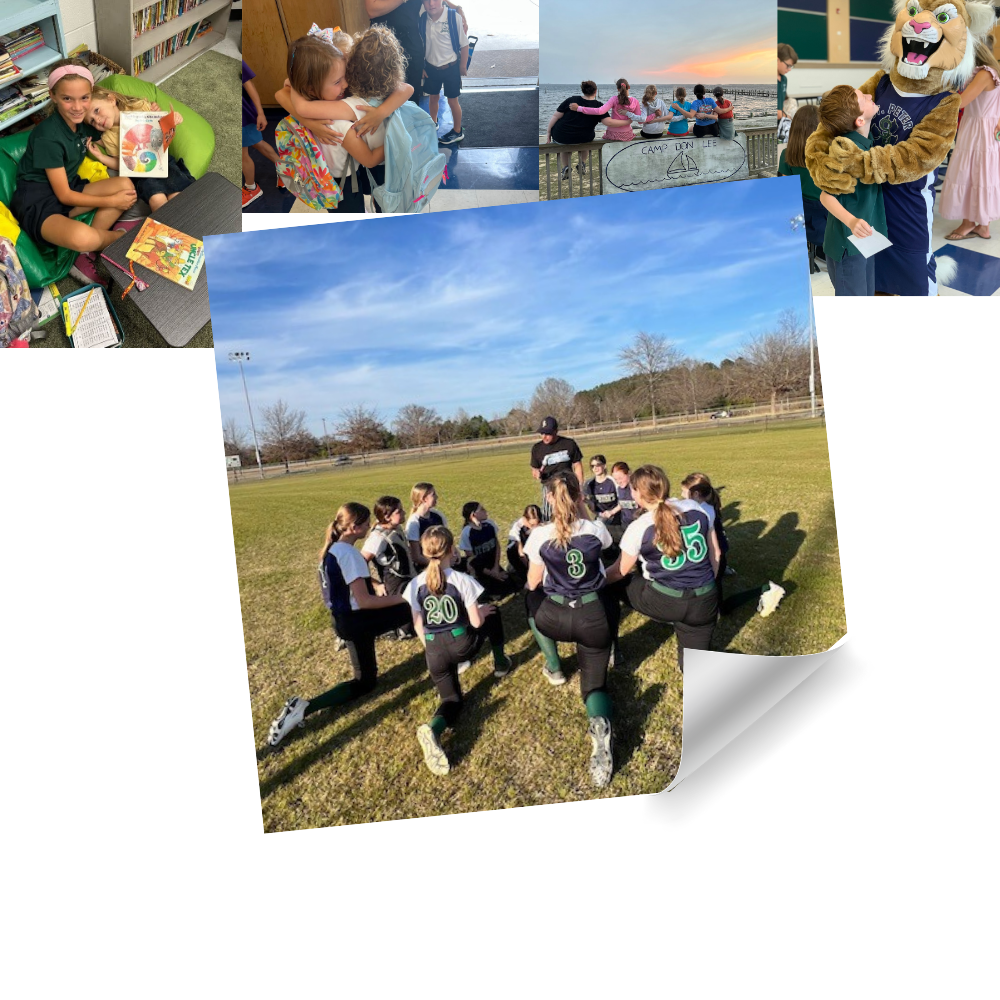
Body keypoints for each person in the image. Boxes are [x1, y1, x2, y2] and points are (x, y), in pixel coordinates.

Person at [265, 502, 413, 748]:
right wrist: (404, 598)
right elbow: (364, 602)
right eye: (366, 523)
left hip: (343, 622)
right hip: (358, 621)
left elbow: (352, 590)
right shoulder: (350, 553)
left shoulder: (331, 550)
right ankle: (446, 651)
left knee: (365, 682)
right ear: (354, 527)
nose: (370, 526)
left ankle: (303, 708)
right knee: (411, 607)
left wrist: (375, 585)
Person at [523, 474, 616, 789]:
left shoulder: (538, 535)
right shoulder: (594, 529)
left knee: (530, 601)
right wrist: (582, 510)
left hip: (556, 618)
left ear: (549, 500)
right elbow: (602, 542)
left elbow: (534, 583)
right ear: (579, 497)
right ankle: (598, 722)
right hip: (592, 616)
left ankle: (554, 665)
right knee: (594, 686)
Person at [9, 59, 136, 285]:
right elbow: (64, 196)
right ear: (53, 96)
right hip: (38, 202)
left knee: (125, 186)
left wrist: (150, 113)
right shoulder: (48, 137)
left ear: (91, 95)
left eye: (84, 98)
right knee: (82, 235)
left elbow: (114, 117)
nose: (78, 107)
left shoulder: (83, 122)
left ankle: (84, 252)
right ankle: (118, 240)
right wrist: (110, 200)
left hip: (69, 186)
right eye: (68, 98)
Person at [405, 526, 513, 775]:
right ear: (451, 550)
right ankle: (500, 664)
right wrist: (482, 612)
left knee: (451, 700)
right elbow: (476, 623)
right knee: (492, 614)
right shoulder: (462, 579)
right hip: (461, 645)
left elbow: (417, 624)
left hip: (434, 651)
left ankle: (434, 729)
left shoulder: (414, 584)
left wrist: (430, 646)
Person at [277, 31, 414, 214]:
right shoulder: (340, 114)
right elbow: (282, 96)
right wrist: (311, 123)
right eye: (338, 80)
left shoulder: (337, 98)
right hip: (342, 178)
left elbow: (285, 95)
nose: (346, 84)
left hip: (338, 174)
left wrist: (381, 112)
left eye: (346, 75)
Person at [606, 465, 720, 674]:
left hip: (666, 601)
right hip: (706, 598)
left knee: (611, 585)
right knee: (696, 669)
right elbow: (716, 554)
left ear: (638, 494)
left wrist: (592, 581)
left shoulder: (640, 526)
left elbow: (618, 572)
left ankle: (609, 648)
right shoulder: (697, 508)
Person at [815, 86, 885, 296]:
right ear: (859, 121)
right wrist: (852, 222)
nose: (870, 95)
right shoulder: (844, 152)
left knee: (866, 293)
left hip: (866, 237)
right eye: (864, 98)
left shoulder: (866, 141)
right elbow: (826, 196)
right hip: (848, 243)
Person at [83, 86, 196, 212]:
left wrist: (173, 118)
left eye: (97, 110)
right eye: (92, 121)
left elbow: (163, 129)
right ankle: (170, 228)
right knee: (157, 200)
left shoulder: (139, 107)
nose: (97, 120)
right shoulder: (108, 137)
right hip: (142, 174)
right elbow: (120, 163)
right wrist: (101, 157)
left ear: (111, 100)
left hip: (163, 162)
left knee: (178, 196)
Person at [939, 48, 1000, 242]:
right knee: (981, 173)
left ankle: (969, 223)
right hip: (979, 125)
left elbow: (962, 101)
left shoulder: (984, 73)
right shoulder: (985, 72)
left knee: (972, 173)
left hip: (979, 128)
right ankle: (983, 226)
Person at [365, 0, 466, 104]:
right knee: (383, 96)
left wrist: (458, 9)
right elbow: (372, 10)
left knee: (411, 98)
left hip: (411, 44)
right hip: (383, 44)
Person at [777, 104, 827, 267]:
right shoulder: (829, 152)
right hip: (827, 218)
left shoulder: (787, 154)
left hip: (802, 217)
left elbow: (787, 192)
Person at [544, 81, 622, 180]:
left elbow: (555, 116)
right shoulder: (599, 105)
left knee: (565, 146)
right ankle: (582, 163)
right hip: (585, 137)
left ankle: (566, 167)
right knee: (586, 140)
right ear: (595, 91)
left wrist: (548, 132)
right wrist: (627, 122)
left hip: (562, 135)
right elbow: (609, 122)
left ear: (583, 90)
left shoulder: (572, 100)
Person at [419, 0, 469, 145]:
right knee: (433, 98)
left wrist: (462, 66)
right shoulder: (422, 19)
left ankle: (457, 130)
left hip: (451, 67)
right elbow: (420, 44)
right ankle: (433, 122)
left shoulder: (453, 18)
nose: (431, 4)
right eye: (427, 0)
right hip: (430, 68)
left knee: (453, 101)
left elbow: (464, 44)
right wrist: (422, 66)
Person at [681, 472, 729, 611]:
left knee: (714, 584)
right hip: (718, 551)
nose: (682, 496)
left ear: (696, 494)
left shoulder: (702, 511)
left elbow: (714, 548)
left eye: (684, 492)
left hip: (715, 553)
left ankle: (718, 608)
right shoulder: (706, 505)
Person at [529, 415, 584, 520]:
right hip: (549, 486)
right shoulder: (537, 448)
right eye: (542, 433)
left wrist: (579, 486)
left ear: (556, 431)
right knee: (549, 515)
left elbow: (577, 466)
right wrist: (537, 473)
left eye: (548, 433)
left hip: (568, 484)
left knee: (573, 513)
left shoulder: (569, 444)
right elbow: (534, 469)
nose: (544, 436)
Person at [242, 60, 280, 209]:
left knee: (242, 154)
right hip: (244, 113)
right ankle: (285, 171)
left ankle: (251, 188)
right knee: (258, 143)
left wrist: (260, 113)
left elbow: (249, 86)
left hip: (243, 116)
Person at [458, 501, 516, 597]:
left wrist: (496, 567)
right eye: (482, 509)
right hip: (480, 570)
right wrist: (492, 573)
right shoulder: (467, 532)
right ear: (473, 515)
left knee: (509, 586)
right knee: (490, 592)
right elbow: (472, 559)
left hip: (493, 565)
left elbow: (497, 546)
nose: (485, 511)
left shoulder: (489, 524)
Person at [570, 78, 645, 142]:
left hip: (612, 134)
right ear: (629, 87)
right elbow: (640, 121)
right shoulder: (635, 101)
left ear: (618, 89)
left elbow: (600, 111)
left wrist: (579, 108)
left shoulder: (614, 99)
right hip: (627, 134)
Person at [406, 481, 447, 568]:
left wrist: (454, 553)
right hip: (426, 568)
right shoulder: (414, 522)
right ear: (424, 499)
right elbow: (416, 557)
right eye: (433, 495)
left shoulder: (438, 515)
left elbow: (448, 540)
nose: (437, 497)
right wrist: (437, 564)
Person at [506, 504, 542, 587]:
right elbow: (521, 553)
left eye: (537, 524)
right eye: (532, 525)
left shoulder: (541, 523)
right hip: (518, 553)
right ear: (525, 519)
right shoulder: (516, 528)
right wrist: (530, 567)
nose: (535, 527)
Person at [610, 461, 640, 540]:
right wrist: (611, 512)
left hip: (638, 525)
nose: (618, 481)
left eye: (620, 478)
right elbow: (622, 503)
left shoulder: (638, 489)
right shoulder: (620, 489)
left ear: (629, 473)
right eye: (616, 479)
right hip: (625, 525)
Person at [777, 43, 798, 120]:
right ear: (777, 60)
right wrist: (787, 118)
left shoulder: (784, 79)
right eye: (788, 65)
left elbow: (781, 106)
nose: (789, 69)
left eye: (791, 66)